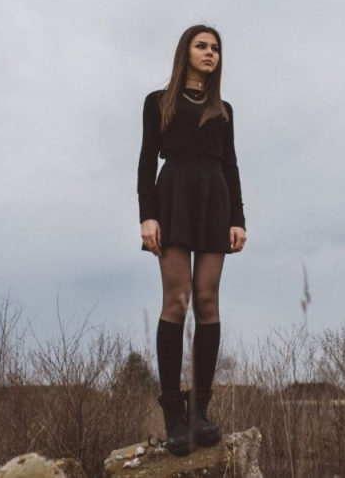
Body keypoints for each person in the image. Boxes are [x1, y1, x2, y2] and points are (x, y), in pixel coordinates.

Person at [137, 24, 247, 456]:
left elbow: (232, 165)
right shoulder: (157, 102)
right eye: (202, 46)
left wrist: (237, 218)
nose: (210, 53)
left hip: (215, 199)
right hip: (174, 197)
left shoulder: (224, 110)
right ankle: (174, 417)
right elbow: (147, 160)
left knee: (207, 300)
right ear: (186, 51)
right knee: (177, 298)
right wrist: (147, 215)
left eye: (216, 48)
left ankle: (200, 410)